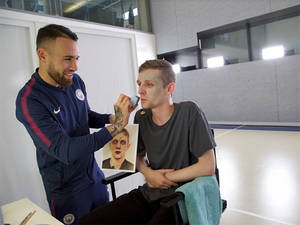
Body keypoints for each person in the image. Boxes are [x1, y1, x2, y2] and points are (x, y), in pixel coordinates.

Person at [15, 24, 136, 224]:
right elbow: (65, 151)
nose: (75, 67)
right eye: (67, 59)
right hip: (67, 191)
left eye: (76, 58)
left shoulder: (74, 81)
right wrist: (115, 128)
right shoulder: (29, 100)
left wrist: (111, 118)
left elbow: (85, 116)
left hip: (93, 177)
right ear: (42, 55)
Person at [79, 59, 216, 224]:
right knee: (89, 221)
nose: (140, 91)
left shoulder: (189, 111)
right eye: (139, 84)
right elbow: (132, 159)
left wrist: (165, 177)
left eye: (149, 85)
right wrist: (148, 173)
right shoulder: (141, 116)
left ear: (169, 88)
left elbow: (208, 166)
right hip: (150, 193)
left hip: (181, 197)